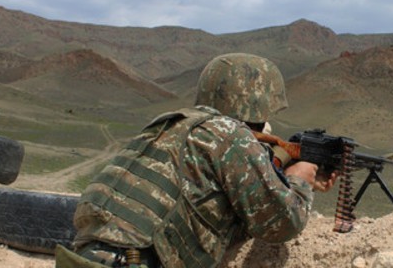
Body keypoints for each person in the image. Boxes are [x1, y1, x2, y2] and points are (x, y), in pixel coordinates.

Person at [55, 53, 337, 268]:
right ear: (258, 104)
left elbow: (219, 208)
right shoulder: (230, 135)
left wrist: (278, 172)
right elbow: (282, 225)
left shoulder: (171, 124)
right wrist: (300, 179)